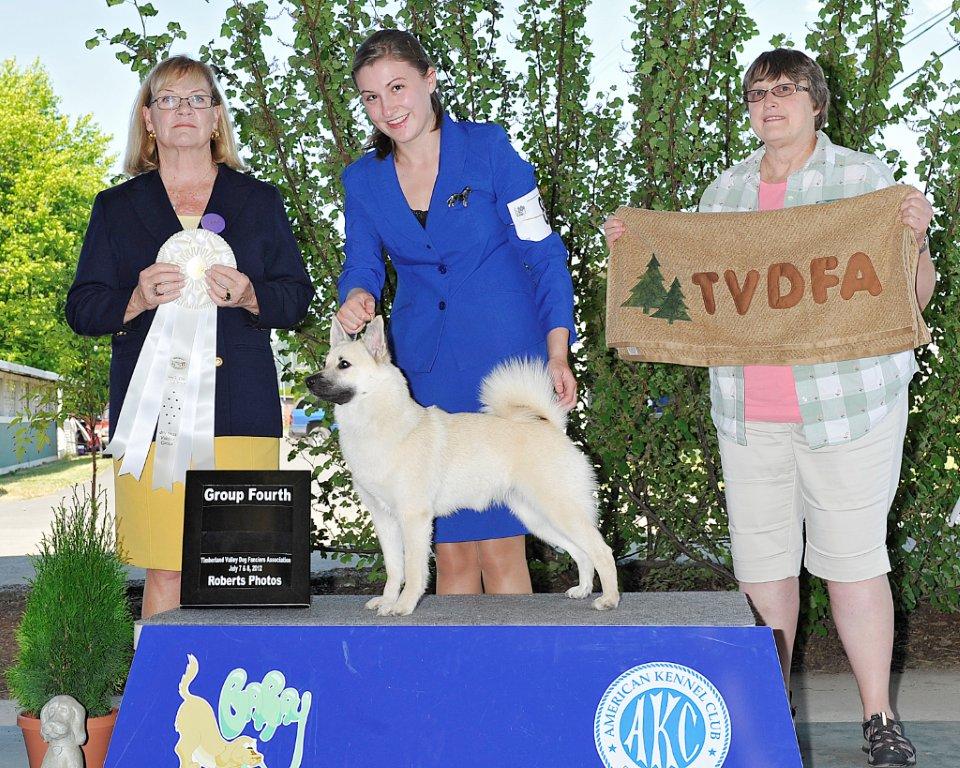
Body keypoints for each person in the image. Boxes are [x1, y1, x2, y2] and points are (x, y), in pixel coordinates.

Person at [605, 49, 935, 767]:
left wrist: (915, 237)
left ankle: (878, 718)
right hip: (750, 412)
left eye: (784, 91)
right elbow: (689, 293)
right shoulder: (722, 195)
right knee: (762, 572)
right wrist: (637, 250)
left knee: (853, 566)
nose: (769, 104)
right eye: (757, 94)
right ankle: (767, 712)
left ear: (817, 102)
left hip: (850, 408)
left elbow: (914, 300)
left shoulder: (866, 180)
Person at [66, 56, 313, 619]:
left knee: (244, 572)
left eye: (197, 99)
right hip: (152, 420)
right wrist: (135, 299)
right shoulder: (116, 208)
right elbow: (82, 308)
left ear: (217, 119)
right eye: (168, 100)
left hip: (244, 409)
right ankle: (163, 706)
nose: (183, 111)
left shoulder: (259, 202)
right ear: (148, 120)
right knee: (167, 568)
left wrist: (253, 295)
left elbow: (296, 297)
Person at [336, 30, 578, 597]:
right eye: (371, 97)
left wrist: (557, 351)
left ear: (429, 79)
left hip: (501, 361)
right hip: (425, 374)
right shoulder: (363, 181)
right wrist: (357, 294)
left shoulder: (489, 149)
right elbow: (361, 263)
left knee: (501, 549)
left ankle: (518, 683)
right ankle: (457, 686)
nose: (387, 107)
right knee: (447, 554)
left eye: (397, 87)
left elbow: (543, 255)